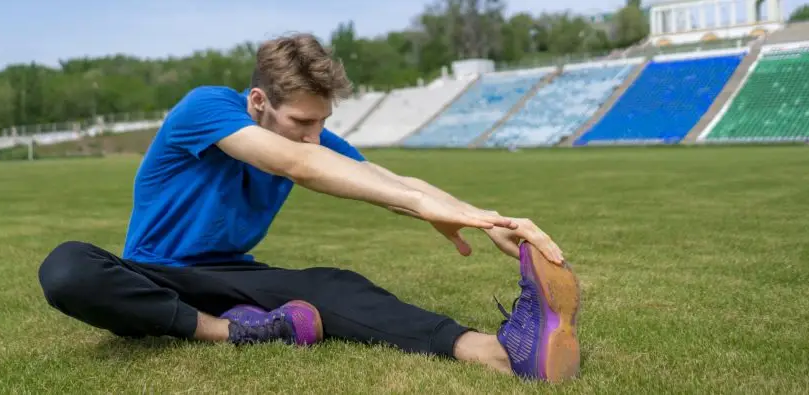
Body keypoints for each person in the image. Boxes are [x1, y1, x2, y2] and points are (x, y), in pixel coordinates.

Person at [37, 33, 582, 383]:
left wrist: (483, 217)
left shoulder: (311, 140)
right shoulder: (206, 108)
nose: (315, 138)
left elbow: (384, 177)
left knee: (337, 286)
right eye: (302, 123)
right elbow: (294, 165)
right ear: (258, 103)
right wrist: (419, 202)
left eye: (322, 123)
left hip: (227, 274)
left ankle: (497, 351)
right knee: (67, 268)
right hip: (154, 276)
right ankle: (235, 331)